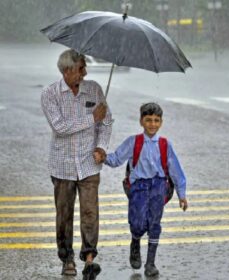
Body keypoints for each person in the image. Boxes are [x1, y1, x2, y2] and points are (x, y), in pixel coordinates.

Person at [41, 49, 112, 279]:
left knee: (90, 212)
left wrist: (101, 146)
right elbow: (60, 128)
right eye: (81, 68)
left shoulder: (94, 89)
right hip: (62, 166)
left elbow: (106, 123)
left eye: (84, 67)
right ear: (67, 70)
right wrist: (92, 118)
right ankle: (67, 258)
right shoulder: (50, 94)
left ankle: (89, 258)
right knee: (64, 214)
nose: (85, 72)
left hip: (89, 163)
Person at [94, 102, 188, 277]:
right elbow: (116, 159)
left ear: (161, 122)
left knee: (154, 223)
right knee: (137, 223)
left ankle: (150, 263)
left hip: (159, 186)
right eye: (148, 120)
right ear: (141, 121)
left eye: (156, 120)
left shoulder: (165, 145)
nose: (152, 124)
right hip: (138, 187)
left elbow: (175, 170)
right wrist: (103, 157)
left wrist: (182, 195)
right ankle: (135, 240)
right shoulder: (133, 142)